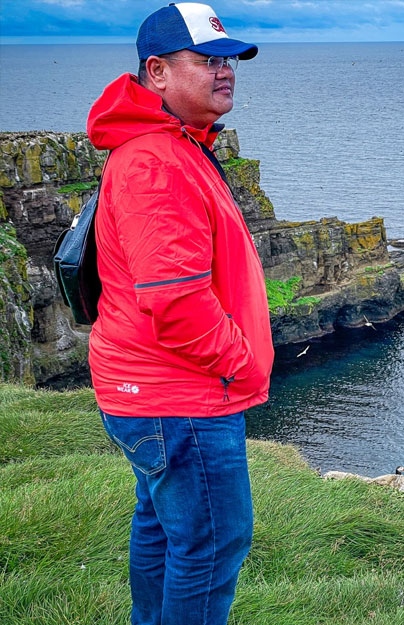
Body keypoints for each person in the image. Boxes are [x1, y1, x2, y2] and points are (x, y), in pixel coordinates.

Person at [86, 3, 273, 624]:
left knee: (166, 529)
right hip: (180, 393)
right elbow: (176, 300)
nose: (225, 72)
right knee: (213, 540)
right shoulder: (157, 164)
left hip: (147, 387)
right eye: (206, 60)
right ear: (157, 71)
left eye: (228, 60)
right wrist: (241, 367)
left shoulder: (172, 144)